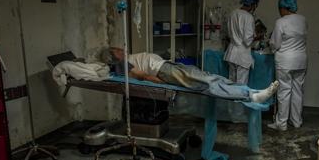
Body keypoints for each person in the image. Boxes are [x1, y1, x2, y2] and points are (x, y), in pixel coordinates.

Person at [103, 47, 279, 104]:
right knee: (207, 83)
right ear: (114, 57)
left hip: (168, 66)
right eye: (115, 50)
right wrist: (162, 81)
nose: (120, 48)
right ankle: (250, 96)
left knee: (211, 77)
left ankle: (250, 91)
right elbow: (142, 76)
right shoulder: (124, 64)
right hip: (165, 72)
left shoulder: (129, 57)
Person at [267, 0, 308, 131]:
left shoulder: (281, 22)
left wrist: (271, 46)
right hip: (301, 60)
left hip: (285, 61)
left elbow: (275, 43)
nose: (279, 11)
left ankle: (281, 123)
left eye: (280, 8)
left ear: (284, 8)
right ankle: (296, 121)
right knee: (298, 91)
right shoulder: (303, 20)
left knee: (284, 91)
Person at [224, 0, 260, 85]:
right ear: (253, 5)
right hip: (242, 57)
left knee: (231, 84)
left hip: (231, 54)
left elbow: (229, 34)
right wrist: (257, 37)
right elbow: (247, 41)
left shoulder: (232, 13)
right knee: (241, 87)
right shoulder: (249, 17)